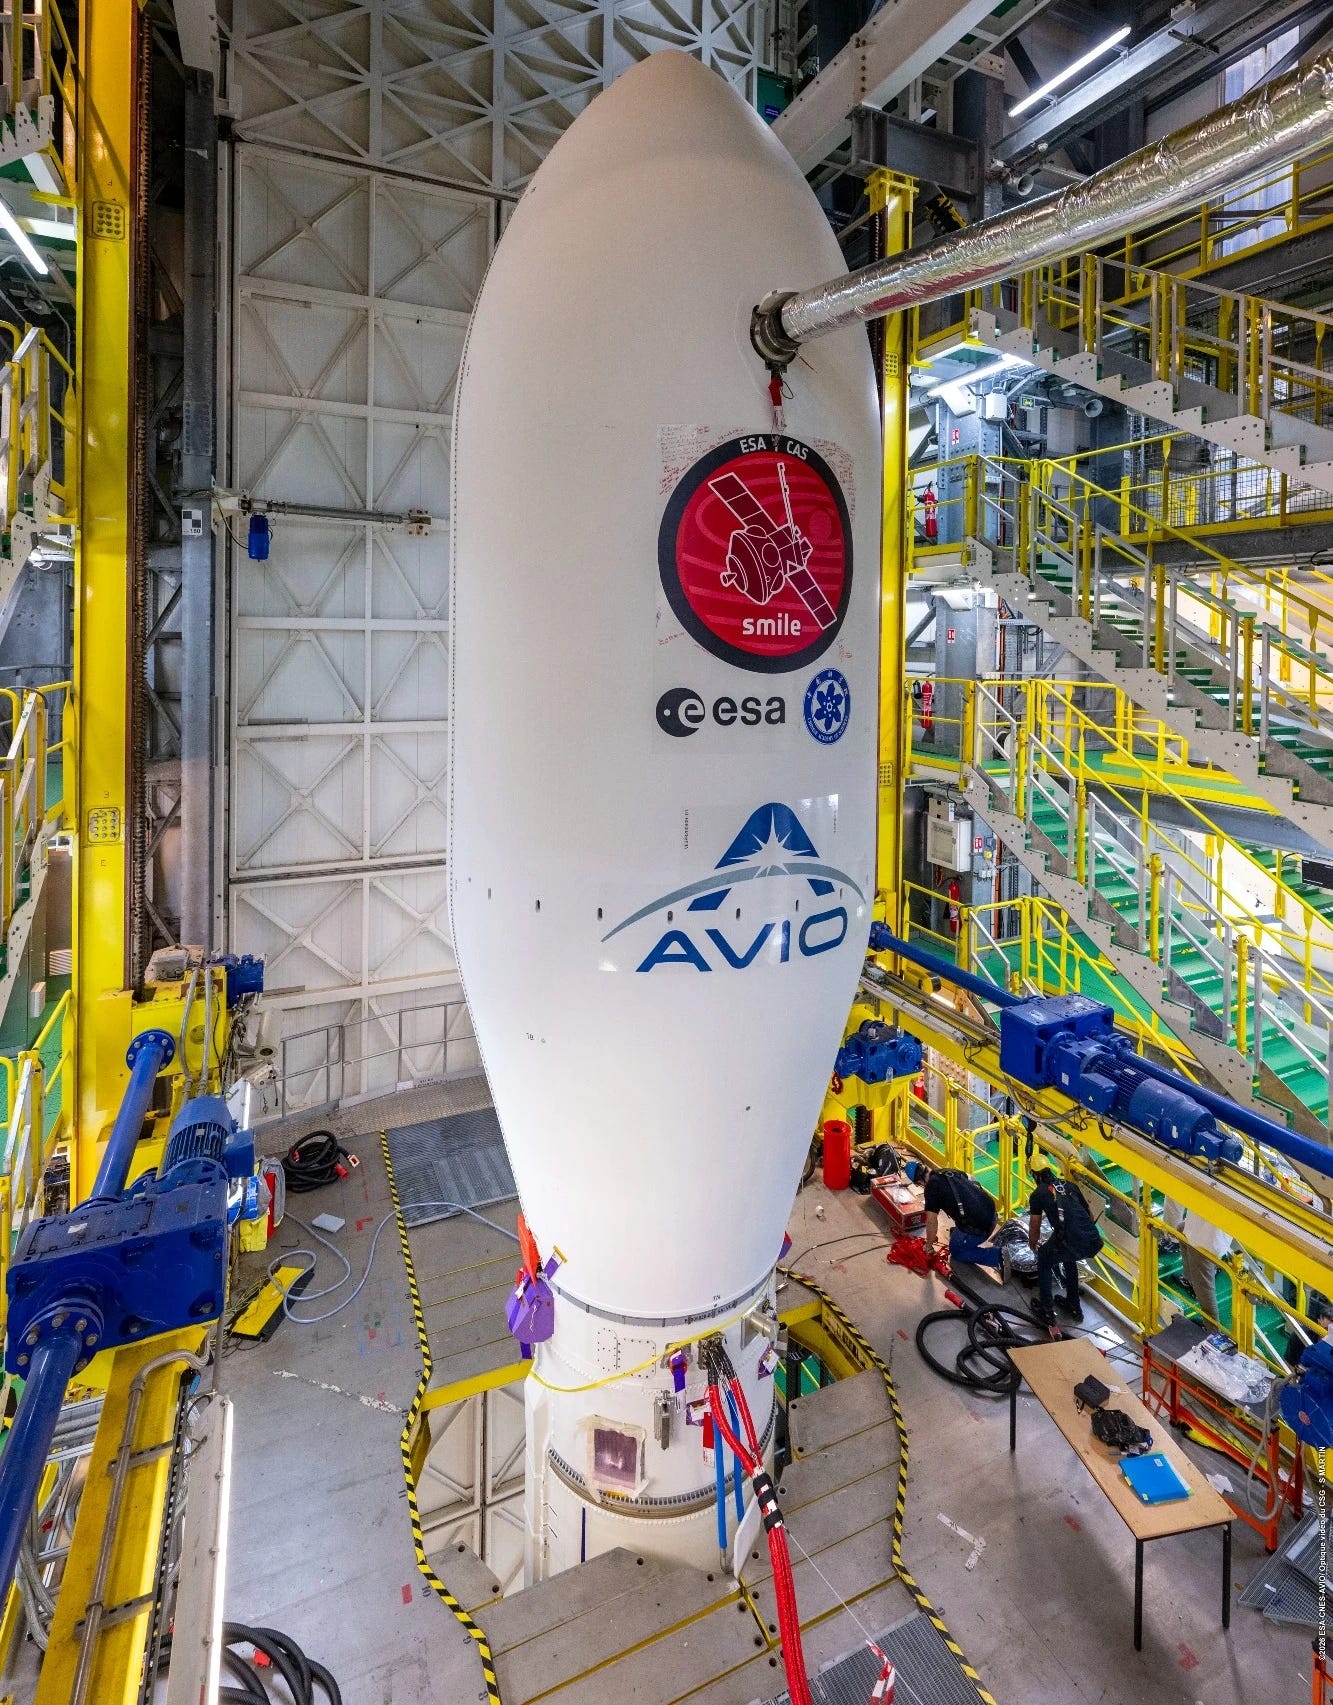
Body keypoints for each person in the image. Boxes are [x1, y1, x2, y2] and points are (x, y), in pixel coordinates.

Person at [1028, 1163, 1103, 1324]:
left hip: (1069, 1240)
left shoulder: (1038, 1194)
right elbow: (1088, 1214)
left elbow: (1035, 1224)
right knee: (1070, 1259)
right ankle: (1074, 1304)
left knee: (1044, 1258)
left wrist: (1032, 1243)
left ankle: (1046, 1309)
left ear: (1036, 1175)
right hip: (1091, 1239)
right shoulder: (1069, 1185)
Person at [917, 1162, 1006, 1275]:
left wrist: (928, 1246)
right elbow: (972, 1180)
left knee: (957, 1252)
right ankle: (961, 1236)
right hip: (992, 1212)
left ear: (919, 1181)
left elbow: (931, 1221)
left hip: (980, 1227)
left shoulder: (931, 1189)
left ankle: (998, 1256)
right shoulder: (946, 1171)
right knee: (959, 1229)